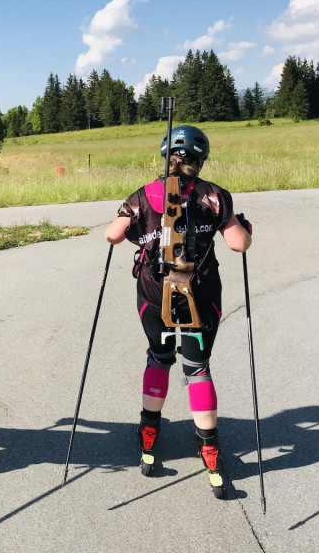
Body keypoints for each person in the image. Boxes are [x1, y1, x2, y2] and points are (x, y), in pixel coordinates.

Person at [104, 125, 252, 496]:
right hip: (201, 296)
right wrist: (245, 227)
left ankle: (149, 429)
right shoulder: (214, 195)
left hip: (154, 296)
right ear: (200, 161)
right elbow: (239, 243)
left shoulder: (143, 195)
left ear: (165, 157)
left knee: (159, 357)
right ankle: (209, 446)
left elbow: (112, 235)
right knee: (197, 368)